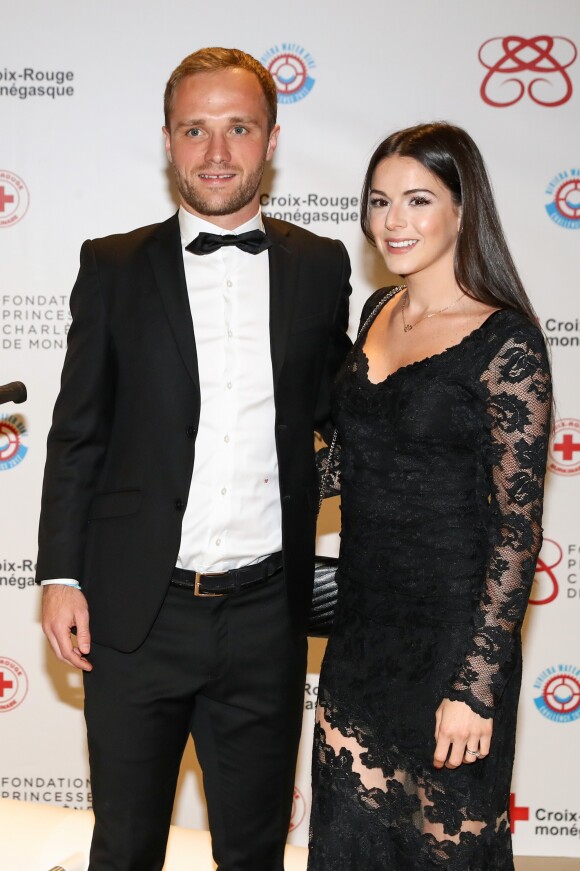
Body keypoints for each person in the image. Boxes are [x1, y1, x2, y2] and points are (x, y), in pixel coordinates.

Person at [37, 46, 351, 871]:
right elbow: (78, 433)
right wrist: (60, 575)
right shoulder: (110, 265)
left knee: (253, 852)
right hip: (137, 612)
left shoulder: (321, 268)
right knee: (127, 844)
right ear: (168, 141)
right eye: (195, 130)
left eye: (239, 128)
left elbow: (344, 412)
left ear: (272, 139)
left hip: (265, 619)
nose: (217, 152)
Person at [308, 122, 551, 870]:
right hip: (361, 635)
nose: (393, 222)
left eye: (418, 200)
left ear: (461, 208)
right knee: (348, 844)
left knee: (444, 851)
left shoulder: (505, 343)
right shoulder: (377, 311)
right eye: (379, 202)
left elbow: (516, 532)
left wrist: (476, 686)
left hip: (452, 643)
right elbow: (351, 465)